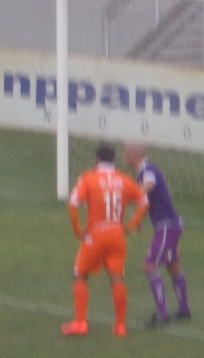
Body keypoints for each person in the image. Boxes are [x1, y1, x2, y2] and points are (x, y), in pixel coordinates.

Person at [61, 143, 147, 338]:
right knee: (117, 278)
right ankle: (120, 326)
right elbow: (144, 202)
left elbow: (73, 204)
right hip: (117, 235)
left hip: (95, 235)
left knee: (80, 275)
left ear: (97, 158)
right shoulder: (124, 179)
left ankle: (80, 323)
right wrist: (130, 226)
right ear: (113, 159)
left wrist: (77, 230)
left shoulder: (89, 178)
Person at [123, 143, 190, 328]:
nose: (123, 156)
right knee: (172, 265)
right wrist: (139, 219)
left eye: (125, 153)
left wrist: (128, 196)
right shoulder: (143, 171)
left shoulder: (147, 169)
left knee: (149, 265)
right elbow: (148, 200)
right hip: (171, 225)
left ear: (132, 155)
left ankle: (162, 314)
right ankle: (184, 310)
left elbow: (149, 186)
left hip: (167, 226)